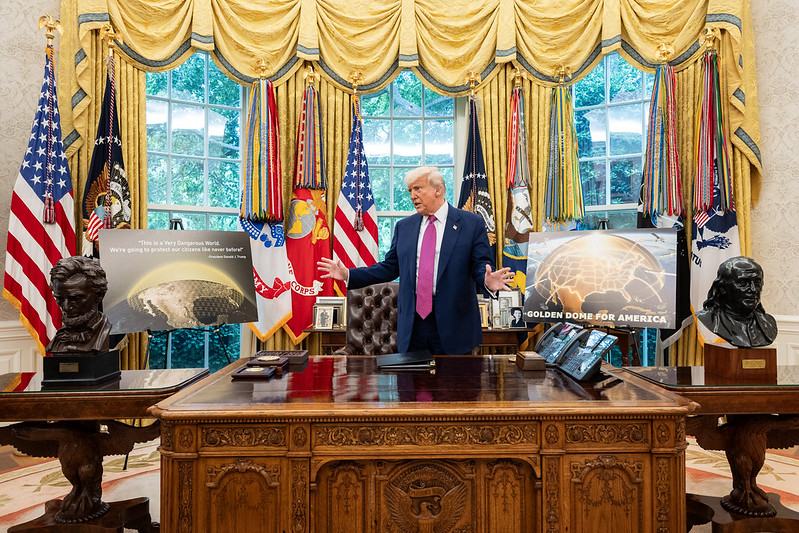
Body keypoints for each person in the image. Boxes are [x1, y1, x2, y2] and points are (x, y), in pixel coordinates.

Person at [318, 166, 512, 354]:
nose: (412, 195)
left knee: (456, 385)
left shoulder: (471, 223)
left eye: (418, 189)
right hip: (413, 325)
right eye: (410, 190)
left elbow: (480, 264)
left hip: (455, 323)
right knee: (412, 385)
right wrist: (348, 274)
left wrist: (486, 280)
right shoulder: (404, 227)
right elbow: (389, 268)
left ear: (438, 190)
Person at [696, 256, 777, 348]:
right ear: (722, 288)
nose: (753, 289)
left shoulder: (769, 322)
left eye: (757, 282)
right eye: (743, 283)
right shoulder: (710, 319)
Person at [46, 256, 112, 354]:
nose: (66, 307)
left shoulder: (103, 332)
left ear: (99, 295)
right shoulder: (59, 339)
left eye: (76, 298)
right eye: (60, 299)